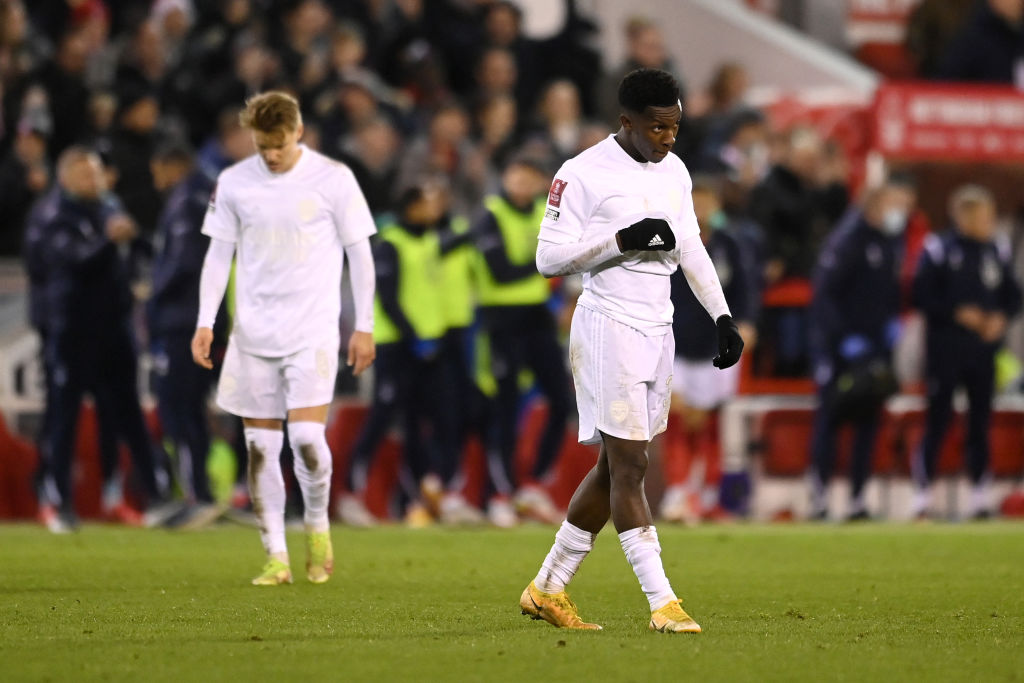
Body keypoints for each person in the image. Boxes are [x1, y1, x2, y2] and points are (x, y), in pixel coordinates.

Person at [520, 68, 743, 634]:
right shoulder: (582, 173)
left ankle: (547, 588)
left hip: (659, 324)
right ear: (627, 122)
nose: (668, 138)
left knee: (614, 465)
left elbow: (689, 244)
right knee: (632, 464)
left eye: (675, 126)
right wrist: (620, 242)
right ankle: (662, 602)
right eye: (658, 127)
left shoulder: (676, 169)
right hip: (606, 323)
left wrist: (720, 314)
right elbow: (547, 259)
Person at [191, 91, 376, 585]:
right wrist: (205, 321)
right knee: (259, 448)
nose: (270, 154)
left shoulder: (333, 179)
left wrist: (365, 326)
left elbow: (360, 254)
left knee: (308, 438)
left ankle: (317, 527)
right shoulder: (233, 182)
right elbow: (217, 256)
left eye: (277, 143)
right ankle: (276, 555)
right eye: (261, 144)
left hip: (312, 330)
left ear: (298, 133)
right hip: (253, 334)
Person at [34, 146, 172, 532]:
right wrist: (110, 241)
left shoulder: (108, 207)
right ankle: (58, 502)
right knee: (64, 417)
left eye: (95, 173)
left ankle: (156, 497)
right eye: (83, 174)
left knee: (129, 414)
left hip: (115, 328)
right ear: (64, 178)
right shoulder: (52, 216)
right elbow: (71, 261)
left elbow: (134, 247)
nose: (91, 180)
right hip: (73, 330)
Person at [338, 181, 457, 528]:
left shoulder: (430, 240)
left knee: (420, 422)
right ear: (411, 206)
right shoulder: (391, 243)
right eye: (427, 202)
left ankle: (415, 500)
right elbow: (389, 299)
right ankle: (349, 494)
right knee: (381, 417)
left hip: (427, 348)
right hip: (398, 346)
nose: (434, 208)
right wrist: (414, 336)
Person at [911, 185, 1021, 519]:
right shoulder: (939, 248)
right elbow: (920, 296)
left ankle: (979, 496)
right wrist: (957, 313)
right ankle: (922, 497)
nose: (987, 222)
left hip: (984, 352)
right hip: (945, 350)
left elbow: (1013, 295)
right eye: (980, 215)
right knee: (939, 420)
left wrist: (1000, 319)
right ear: (962, 215)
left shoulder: (996, 251)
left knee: (980, 423)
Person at [472, 154, 571, 527]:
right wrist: (546, 259)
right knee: (505, 408)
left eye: (530, 177)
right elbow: (501, 273)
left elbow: (573, 254)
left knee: (561, 401)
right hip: (501, 320)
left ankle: (532, 484)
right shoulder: (490, 215)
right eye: (517, 174)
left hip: (538, 318)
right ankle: (500, 493)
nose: (522, 183)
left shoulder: (547, 212)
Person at [807, 181, 913, 521]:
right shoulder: (848, 240)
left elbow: (886, 294)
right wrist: (841, 339)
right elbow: (826, 296)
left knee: (869, 423)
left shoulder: (889, 243)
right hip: (841, 349)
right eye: (895, 204)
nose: (901, 213)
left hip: (874, 349)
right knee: (830, 420)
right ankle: (820, 498)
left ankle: (857, 499)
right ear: (874, 205)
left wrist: (890, 326)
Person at [660, 177, 759, 524]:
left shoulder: (730, 245)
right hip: (674, 348)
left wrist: (747, 322)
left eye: (706, 203)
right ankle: (677, 493)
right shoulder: (666, 242)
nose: (701, 210)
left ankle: (709, 495)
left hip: (716, 349)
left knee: (712, 423)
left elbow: (747, 288)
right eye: (694, 202)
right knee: (676, 420)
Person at [148, 141, 223, 529]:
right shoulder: (206, 194)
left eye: (158, 172)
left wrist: (154, 296)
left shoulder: (188, 200)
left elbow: (186, 261)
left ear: (171, 165)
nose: (157, 181)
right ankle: (201, 492)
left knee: (180, 405)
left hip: (186, 321)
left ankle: (199, 495)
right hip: (204, 318)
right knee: (190, 406)